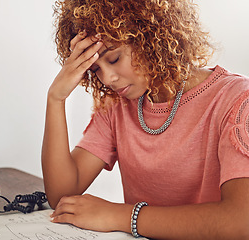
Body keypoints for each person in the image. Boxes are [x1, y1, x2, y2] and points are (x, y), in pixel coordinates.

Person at [41, 0, 249, 239]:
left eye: (114, 59)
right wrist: (55, 99)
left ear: (150, 37)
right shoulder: (117, 106)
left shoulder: (236, 99)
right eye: (95, 69)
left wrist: (121, 216)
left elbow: (241, 222)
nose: (107, 79)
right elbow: (61, 195)